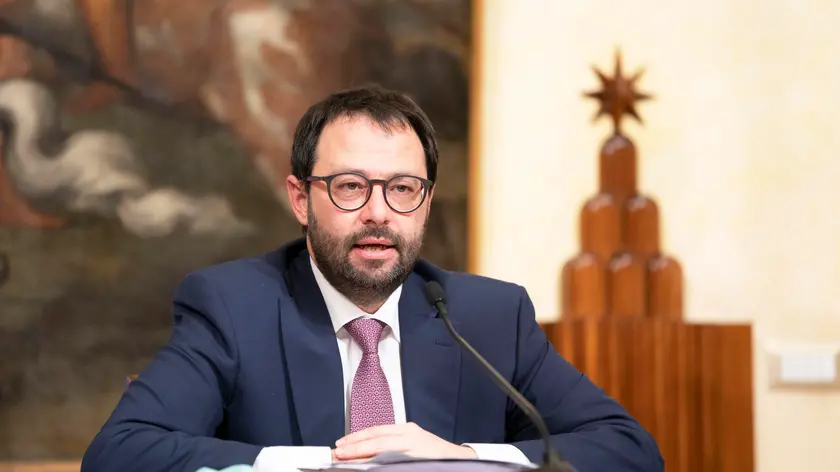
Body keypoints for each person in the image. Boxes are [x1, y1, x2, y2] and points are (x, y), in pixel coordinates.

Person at [81, 86, 664, 472]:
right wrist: (319, 466)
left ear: (427, 202)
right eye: (351, 186)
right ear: (301, 199)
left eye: (402, 188)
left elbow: (628, 449)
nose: (379, 212)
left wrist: (460, 459)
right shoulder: (234, 307)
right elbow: (120, 453)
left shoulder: (488, 317)